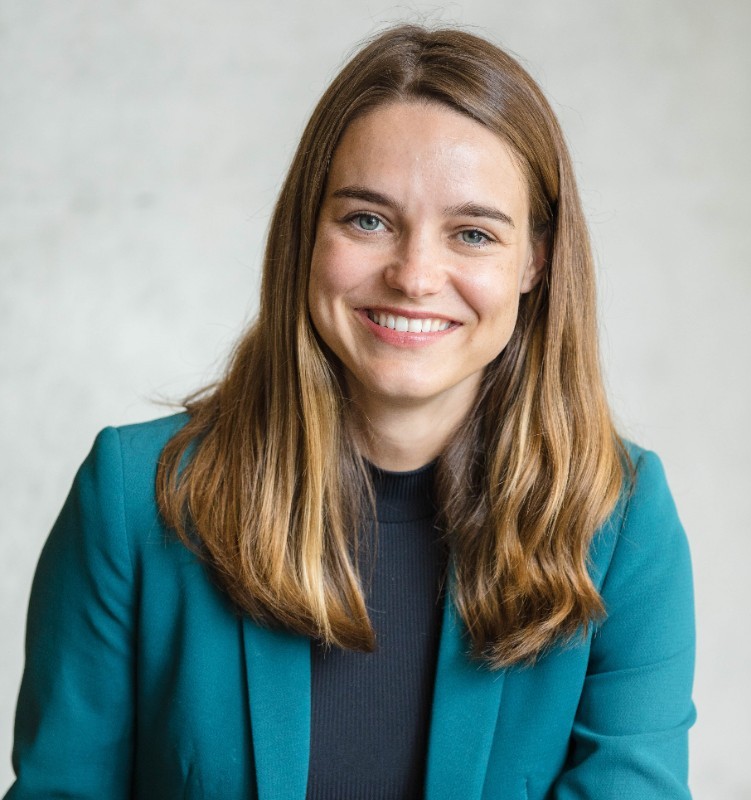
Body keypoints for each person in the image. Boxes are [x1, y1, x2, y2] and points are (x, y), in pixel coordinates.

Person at [4, 23, 695, 800]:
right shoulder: (133, 500)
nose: (414, 275)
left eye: (473, 233)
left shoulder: (620, 523)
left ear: (535, 260)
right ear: (308, 230)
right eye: (368, 219)